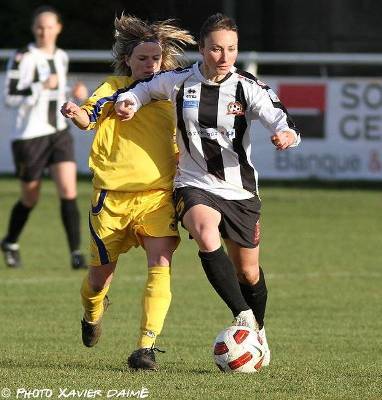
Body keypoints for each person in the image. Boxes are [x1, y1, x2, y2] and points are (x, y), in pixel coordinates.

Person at [114, 13, 301, 367]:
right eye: (216, 48)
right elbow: (142, 89)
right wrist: (130, 103)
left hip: (241, 191)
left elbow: (281, 118)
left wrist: (286, 135)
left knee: (248, 272)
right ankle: (243, 315)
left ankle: (257, 330)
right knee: (203, 228)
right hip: (193, 183)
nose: (224, 56)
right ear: (201, 49)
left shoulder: (248, 87)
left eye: (231, 48)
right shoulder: (179, 81)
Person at [61, 15, 195, 370]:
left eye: (155, 58)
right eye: (142, 59)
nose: (149, 64)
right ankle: (92, 313)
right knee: (99, 278)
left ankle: (146, 347)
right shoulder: (113, 88)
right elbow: (88, 117)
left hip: (156, 195)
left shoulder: (171, 93)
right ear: (128, 62)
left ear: (163, 61)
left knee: (161, 264)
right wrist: (75, 113)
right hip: (111, 198)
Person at [1, 6, 88, 269]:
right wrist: (41, 85)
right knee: (31, 197)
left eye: (49, 26)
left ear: (58, 28)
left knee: (68, 190)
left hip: (58, 133)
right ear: (33, 28)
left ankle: (76, 253)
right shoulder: (21, 57)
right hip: (29, 137)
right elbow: (10, 97)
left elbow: (57, 96)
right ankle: (11, 241)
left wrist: (75, 94)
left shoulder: (61, 56)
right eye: (40, 26)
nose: (44, 31)